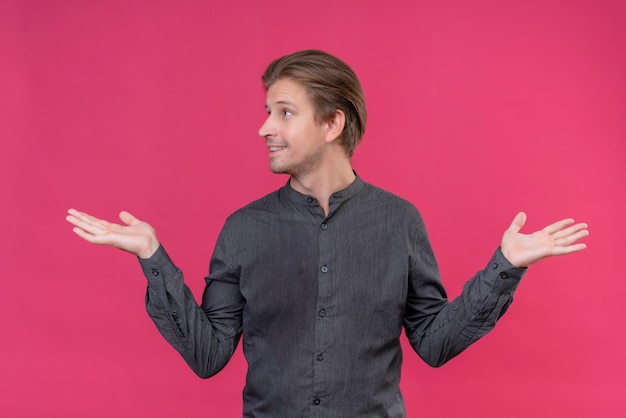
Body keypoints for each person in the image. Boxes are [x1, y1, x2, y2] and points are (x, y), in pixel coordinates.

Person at [66, 50, 589, 418]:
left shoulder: (398, 221)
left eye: (284, 113)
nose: (264, 128)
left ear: (333, 124)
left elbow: (433, 342)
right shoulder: (243, 228)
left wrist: (506, 266)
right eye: (267, 112)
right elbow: (208, 356)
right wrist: (152, 256)